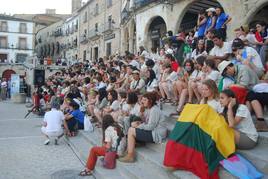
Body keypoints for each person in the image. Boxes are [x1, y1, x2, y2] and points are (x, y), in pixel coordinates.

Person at [119, 92, 167, 163]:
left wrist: (138, 126)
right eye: (142, 100)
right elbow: (143, 120)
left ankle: (130, 155)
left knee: (131, 130)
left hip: (156, 134)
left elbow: (150, 127)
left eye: (144, 100)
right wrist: (141, 112)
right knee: (133, 124)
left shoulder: (155, 110)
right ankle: (129, 150)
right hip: (151, 131)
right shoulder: (147, 109)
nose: (142, 101)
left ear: (150, 101)